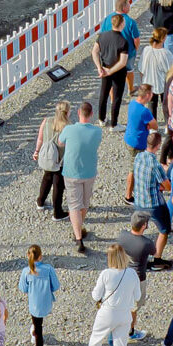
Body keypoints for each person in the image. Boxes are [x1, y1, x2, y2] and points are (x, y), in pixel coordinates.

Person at [78, 245, 142, 346]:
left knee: (97, 336)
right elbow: (137, 296)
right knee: (121, 345)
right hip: (125, 313)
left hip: (108, 312)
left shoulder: (106, 274)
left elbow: (96, 296)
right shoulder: (132, 273)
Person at [58, 102, 104, 255]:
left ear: (78, 112)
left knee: (74, 205)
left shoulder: (69, 129)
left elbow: (60, 142)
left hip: (71, 171)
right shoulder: (97, 132)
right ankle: (79, 228)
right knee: (84, 203)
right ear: (91, 114)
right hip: (89, 171)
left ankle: (78, 237)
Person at [129, 129, 172, 260]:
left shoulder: (138, 157)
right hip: (154, 204)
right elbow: (168, 186)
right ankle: (157, 258)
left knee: (138, 228)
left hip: (139, 201)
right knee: (164, 230)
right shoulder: (156, 165)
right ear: (158, 146)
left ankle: (134, 254)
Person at [19, 245, 60, 346]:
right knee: (38, 323)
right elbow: (56, 286)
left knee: (38, 328)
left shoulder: (26, 271)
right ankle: (34, 332)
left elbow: (23, 288)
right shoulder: (48, 269)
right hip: (46, 303)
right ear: (41, 256)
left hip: (34, 305)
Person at [93, 13, 132, 128]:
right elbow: (123, 62)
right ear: (122, 24)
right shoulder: (123, 41)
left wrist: (99, 67)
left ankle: (101, 118)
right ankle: (114, 124)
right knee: (117, 97)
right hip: (118, 72)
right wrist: (111, 71)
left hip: (105, 68)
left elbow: (94, 52)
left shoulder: (102, 36)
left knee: (103, 94)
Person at [32, 102, 70, 221]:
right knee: (58, 185)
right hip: (59, 161)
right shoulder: (68, 127)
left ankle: (40, 201)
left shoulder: (46, 121)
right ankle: (57, 212)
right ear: (67, 112)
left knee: (47, 177)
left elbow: (40, 138)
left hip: (46, 156)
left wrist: (36, 151)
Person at [137, 26, 173, 119]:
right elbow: (172, 70)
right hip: (163, 82)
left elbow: (141, 68)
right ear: (163, 38)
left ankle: (153, 128)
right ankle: (167, 125)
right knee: (166, 105)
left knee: (151, 106)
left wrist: (143, 82)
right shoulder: (166, 53)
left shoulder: (146, 50)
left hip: (148, 82)